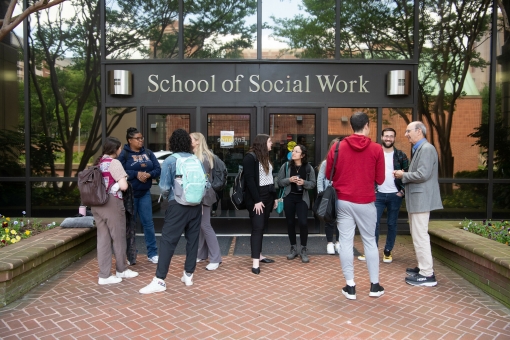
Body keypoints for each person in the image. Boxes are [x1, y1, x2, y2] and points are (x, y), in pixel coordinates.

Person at [326, 112, 385, 300]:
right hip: (366, 201)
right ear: (367, 125)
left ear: (351, 126)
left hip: (343, 200)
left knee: (345, 242)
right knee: (369, 241)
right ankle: (374, 285)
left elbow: (329, 174)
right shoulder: (377, 149)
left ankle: (350, 286)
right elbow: (380, 179)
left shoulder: (337, 147)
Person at [139, 129, 203, 294]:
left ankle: (160, 280)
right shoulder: (196, 159)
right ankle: (188, 274)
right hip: (196, 205)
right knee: (193, 240)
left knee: (168, 241)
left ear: (173, 143)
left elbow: (164, 187)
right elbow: (206, 184)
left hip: (177, 205)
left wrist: (168, 196)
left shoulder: (170, 160)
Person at [393, 121, 443, 287]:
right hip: (417, 199)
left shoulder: (427, 149)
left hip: (421, 200)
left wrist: (403, 175)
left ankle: (427, 274)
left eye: (408, 131)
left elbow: (423, 174)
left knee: (420, 235)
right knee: (417, 235)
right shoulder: (421, 149)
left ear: (419, 132)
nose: (406, 134)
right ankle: (423, 267)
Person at [91, 136, 138, 285]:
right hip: (112, 203)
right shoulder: (114, 163)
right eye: (119, 148)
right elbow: (123, 186)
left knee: (103, 239)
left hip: (97, 204)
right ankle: (121, 269)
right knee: (118, 237)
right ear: (116, 149)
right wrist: (116, 186)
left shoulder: (97, 163)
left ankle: (104, 275)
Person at [358, 128, 408, 263]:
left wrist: (402, 191)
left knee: (392, 224)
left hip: (394, 195)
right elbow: (365, 172)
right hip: (377, 195)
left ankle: (388, 251)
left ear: (394, 138)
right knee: (373, 223)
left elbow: (407, 174)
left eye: (391, 136)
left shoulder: (400, 155)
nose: (388, 138)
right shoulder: (374, 152)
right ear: (381, 137)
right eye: (386, 136)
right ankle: (371, 251)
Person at [119, 127, 161, 264]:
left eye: (142, 138)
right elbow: (119, 170)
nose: (141, 140)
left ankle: (152, 253)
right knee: (130, 225)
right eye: (138, 138)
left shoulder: (148, 153)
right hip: (129, 195)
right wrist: (136, 174)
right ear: (130, 140)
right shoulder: (124, 154)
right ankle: (131, 255)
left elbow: (157, 168)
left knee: (148, 224)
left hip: (144, 194)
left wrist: (148, 174)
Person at [244, 134, 278, 275]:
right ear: (263, 143)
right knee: (257, 227)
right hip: (257, 197)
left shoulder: (265, 158)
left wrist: (275, 197)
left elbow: (270, 179)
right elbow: (250, 181)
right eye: (270, 141)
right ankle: (255, 263)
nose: (272, 144)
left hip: (268, 196)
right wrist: (257, 200)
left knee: (262, 226)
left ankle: (260, 254)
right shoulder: (250, 158)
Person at [277, 144, 316, 263]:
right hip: (289, 198)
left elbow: (313, 184)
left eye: (296, 151)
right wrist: (289, 180)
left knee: (303, 223)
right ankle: (293, 248)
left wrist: (303, 182)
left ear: (302, 155)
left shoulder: (309, 168)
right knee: (290, 223)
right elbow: (279, 182)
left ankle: (303, 249)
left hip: (302, 199)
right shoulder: (286, 166)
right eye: (293, 151)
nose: (293, 153)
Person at [190, 132, 223, 270]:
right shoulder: (204, 156)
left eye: (190, 139)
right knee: (202, 226)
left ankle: (215, 258)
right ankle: (202, 254)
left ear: (197, 141)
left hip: (203, 195)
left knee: (205, 225)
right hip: (204, 194)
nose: (189, 141)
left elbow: (201, 180)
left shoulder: (201, 157)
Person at [317, 138, 340, 255]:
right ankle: (330, 242)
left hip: (341, 194)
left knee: (340, 219)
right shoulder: (326, 163)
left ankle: (339, 242)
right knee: (329, 219)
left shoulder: (345, 161)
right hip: (329, 195)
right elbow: (320, 178)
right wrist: (321, 194)